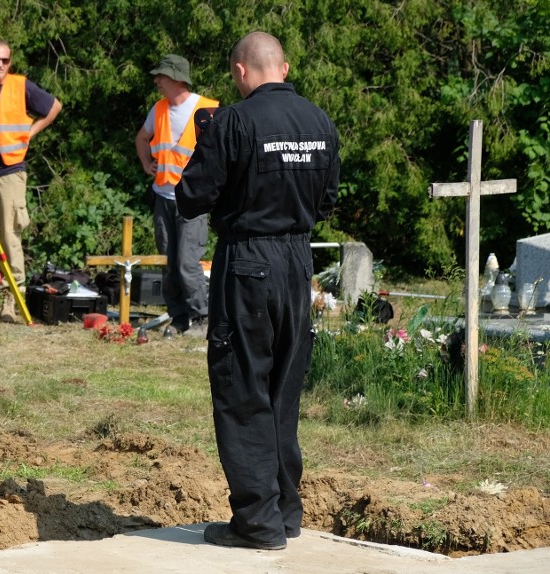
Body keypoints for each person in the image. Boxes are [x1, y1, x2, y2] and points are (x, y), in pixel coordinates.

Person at [175, 32, 340, 550]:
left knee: (242, 388)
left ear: (241, 72)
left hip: (247, 260)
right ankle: (286, 512)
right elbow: (329, 200)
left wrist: (207, 145)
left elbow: (190, 197)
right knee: (282, 391)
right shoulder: (319, 121)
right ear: (284, 68)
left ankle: (258, 524)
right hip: (298, 262)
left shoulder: (233, 121)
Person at [0, 40, 62, 323]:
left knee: (9, 236)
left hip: (9, 172)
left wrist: (30, 133)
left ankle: (11, 296)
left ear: (11, 61)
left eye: (5, 61)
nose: (0, 65)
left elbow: (54, 107)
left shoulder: (21, 86)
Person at [135, 54, 219, 337]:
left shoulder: (207, 109)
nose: (156, 81)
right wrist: (147, 163)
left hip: (193, 203)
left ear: (178, 79)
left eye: (161, 76)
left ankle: (202, 318)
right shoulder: (158, 110)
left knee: (186, 262)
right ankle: (179, 317)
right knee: (169, 263)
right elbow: (141, 138)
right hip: (164, 198)